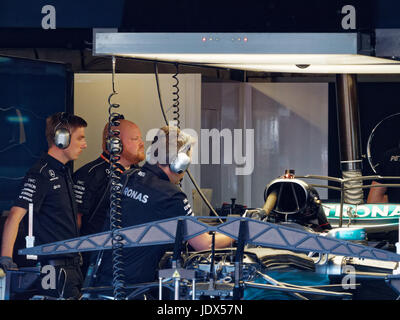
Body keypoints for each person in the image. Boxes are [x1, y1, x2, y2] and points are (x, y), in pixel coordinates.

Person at [93, 126, 233, 290]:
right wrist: (235, 231)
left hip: (99, 281)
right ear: (179, 163)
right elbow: (205, 244)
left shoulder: (127, 177)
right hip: (132, 289)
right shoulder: (171, 195)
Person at [0, 112, 87, 299]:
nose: (85, 144)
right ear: (61, 138)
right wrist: (6, 259)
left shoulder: (63, 172)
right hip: (53, 270)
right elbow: (15, 216)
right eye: (80, 138)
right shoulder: (40, 173)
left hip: (71, 268)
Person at [73, 119, 145, 278]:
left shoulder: (142, 176)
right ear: (114, 143)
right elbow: (75, 224)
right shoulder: (89, 175)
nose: (142, 143)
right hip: (94, 266)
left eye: (140, 138)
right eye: (135, 139)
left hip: (133, 264)